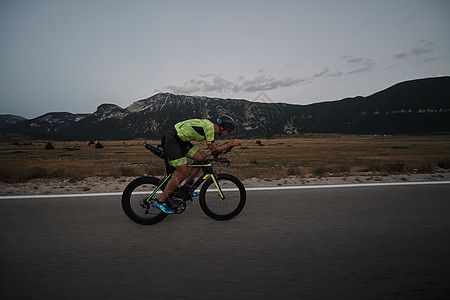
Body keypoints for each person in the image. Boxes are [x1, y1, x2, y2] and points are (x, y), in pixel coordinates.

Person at [153, 115, 241, 214]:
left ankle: (186, 189)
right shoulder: (209, 128)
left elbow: (214, 151)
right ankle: (160, 201)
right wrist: (229, 144)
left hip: (181, 141)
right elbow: (214, 149)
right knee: (183, 173)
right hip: (172, 140)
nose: (228, 134)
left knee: (201, 161)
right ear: (222, 128)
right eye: (228, 131)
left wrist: (226, 147)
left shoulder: (210, 128)